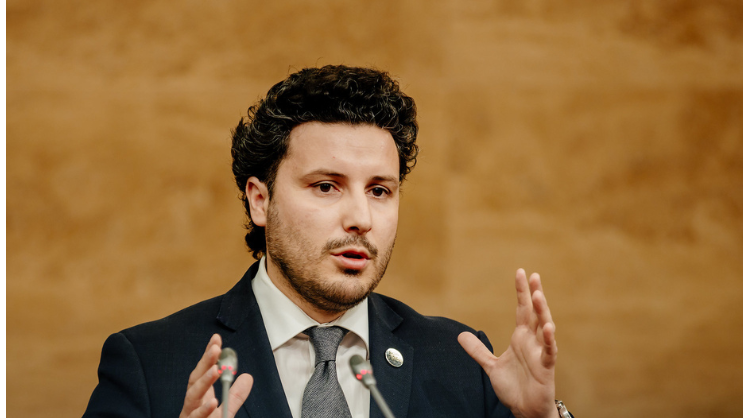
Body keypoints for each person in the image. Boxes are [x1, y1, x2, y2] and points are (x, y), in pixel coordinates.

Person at [83, 65, 572, 418]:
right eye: (325, 186)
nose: (361, 218)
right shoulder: (150, 363)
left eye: (379, 191)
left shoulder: (462, 363)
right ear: (260, 200)